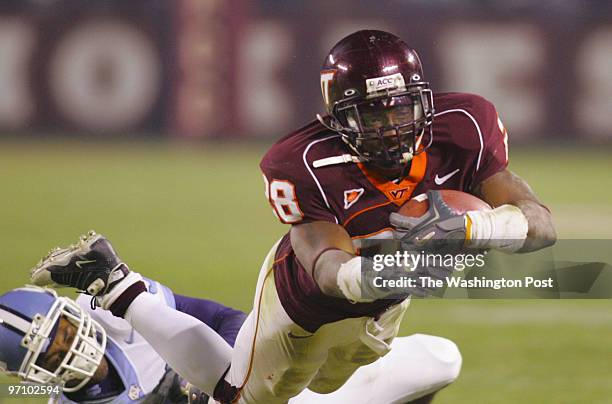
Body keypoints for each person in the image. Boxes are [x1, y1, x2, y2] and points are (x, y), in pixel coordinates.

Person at [30, 29, 555, 403]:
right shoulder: (302, 161)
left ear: (424, 103)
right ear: (337, 119)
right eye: (372, 115)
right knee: (244, 397)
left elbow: (542, 226)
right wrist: (387, 265)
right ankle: (120, 288)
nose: (391, 127)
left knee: (343, 381)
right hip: (302, 301)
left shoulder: (465, 124)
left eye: (399, 109)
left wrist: (475, 226)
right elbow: (324, 268)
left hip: (381, 311)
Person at [0, 284, 460, 404]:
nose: (70, 346)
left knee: (438, 359)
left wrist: (238, 372)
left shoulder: (109, 310)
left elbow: (217, 317)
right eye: (52, 352)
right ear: (34, 374)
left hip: (265, 397)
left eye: (62, 330)